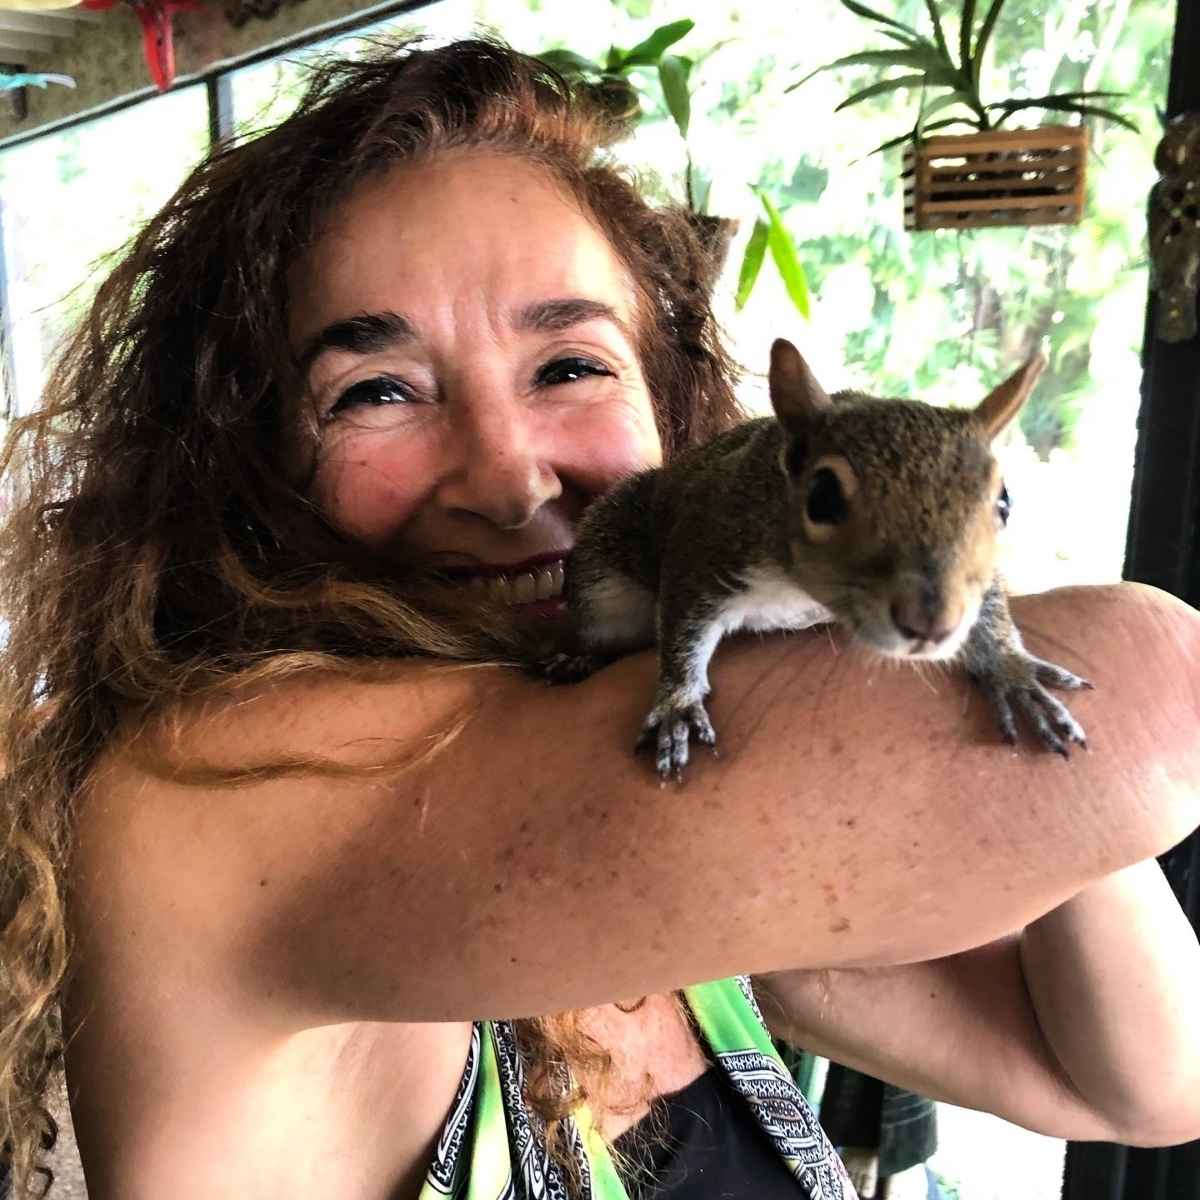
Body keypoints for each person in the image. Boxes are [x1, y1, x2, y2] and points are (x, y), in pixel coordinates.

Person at [1, 34, 1199, 1200]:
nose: (509, 479)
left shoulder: (684, 857)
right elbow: (1158, 689)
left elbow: (1143, 1084)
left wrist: (922, 536)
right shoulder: (212, 793)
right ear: (244, 470)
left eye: (570, 367)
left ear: (674, 407)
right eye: (376, 391)